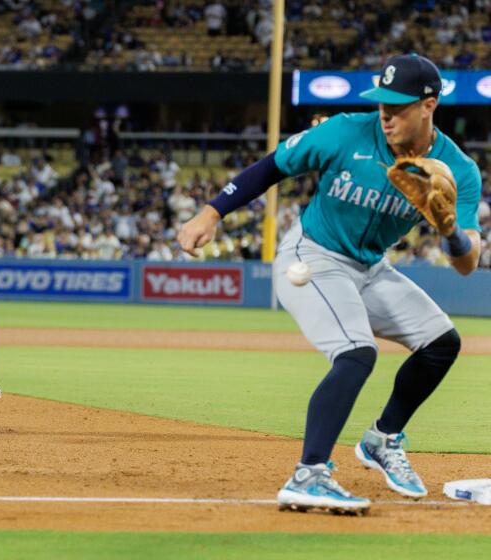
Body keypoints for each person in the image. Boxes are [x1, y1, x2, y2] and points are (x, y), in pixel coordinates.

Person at [177, 54, 481, 513]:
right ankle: (309, 473)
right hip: (313, 256)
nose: (385, 113)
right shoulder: (345, 131)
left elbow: (467, 264)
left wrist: (451, 232)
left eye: (397, 105)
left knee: (442, 342)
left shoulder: (458, 169)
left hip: (370, 269)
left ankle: (382, 439)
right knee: (356, 353)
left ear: (429, 105)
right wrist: (212, 212)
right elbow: (273, 166)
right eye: (382, 101)